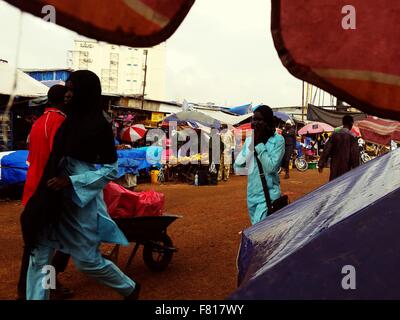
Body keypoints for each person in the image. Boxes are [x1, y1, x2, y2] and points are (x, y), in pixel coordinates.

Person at [21, 70, 140, 300]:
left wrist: (71, 181)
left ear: (85, 92)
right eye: (66, 89)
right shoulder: (65, 123)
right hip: (51, 196)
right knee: (40, 253)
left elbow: (111, 169)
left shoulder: (99, 126)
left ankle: (129, 289)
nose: (67, 94)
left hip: (79, 201)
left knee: (87, 262)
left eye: (72, 90)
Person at [17, 85, 72, 300]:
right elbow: (59, 160)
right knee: (47, 246)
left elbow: (32, 158)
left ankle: (42, 286)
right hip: (47, 192)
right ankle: (34, 288)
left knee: (41, 246)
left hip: (34, 190)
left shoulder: (39, 122)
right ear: (64, 100)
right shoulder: (59, 121)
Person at [234, 105, 285, 225]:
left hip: (268, 196)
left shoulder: (278, 140)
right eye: (253, 119)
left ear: (267, 121)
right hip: (252, 196)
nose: (255, 123)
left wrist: (259, 145)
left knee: (261, 233)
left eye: (259, 119)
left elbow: (271, 168)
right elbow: (238, 167)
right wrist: (250, 146)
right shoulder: (250, 140)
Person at [318, 115, 360, 181]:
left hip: (334, 166)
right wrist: (356, 168)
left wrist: (321, 164)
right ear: (351, 123)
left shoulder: (334, 135)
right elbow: (355, 154)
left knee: (333, 184)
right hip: (346, 168)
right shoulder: (352, 137)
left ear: (343, 123)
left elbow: (326, 150)